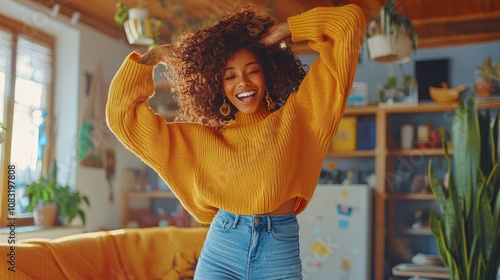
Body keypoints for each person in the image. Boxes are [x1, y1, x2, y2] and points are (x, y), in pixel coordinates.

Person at [106, 3, 366, 279]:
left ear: (267, 72)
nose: (242, 82)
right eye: (229, 76)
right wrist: (154, 56)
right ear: (218, 86)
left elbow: (349, 22)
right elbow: (122, 116)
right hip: (223, 248)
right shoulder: (205, 141)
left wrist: (286, 29)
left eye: (252, 70)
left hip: (278, 251)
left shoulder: (301, 117)